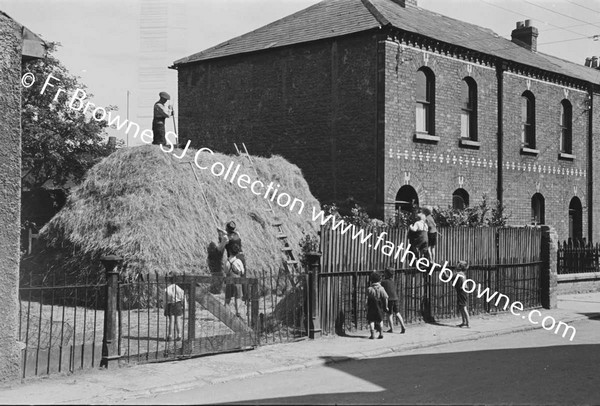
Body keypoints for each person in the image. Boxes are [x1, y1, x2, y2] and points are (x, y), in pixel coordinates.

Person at [217, 221, 246, 316]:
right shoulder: (237, 234)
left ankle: (226, 309)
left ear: (227, 228)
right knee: (239, 285)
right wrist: (222, 231)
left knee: (230, 284)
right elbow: (230, 235)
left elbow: (220, 248)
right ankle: (239, 310)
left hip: (232, 259)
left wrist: (220, 238)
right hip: (241, 259)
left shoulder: (226, 237)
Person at [380, 268, 406, 334]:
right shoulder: (392, 281)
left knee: (390, 314)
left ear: (387, 274)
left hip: (389, 299)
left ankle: (392, 328)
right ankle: (403, 326)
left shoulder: (384, 282)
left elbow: (379, 285)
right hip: (395, 298)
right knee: (397, 313)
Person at [164, 271, 187, 341]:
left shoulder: (167, 289)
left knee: (171, 321)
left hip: (170, 304)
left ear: (169, 280)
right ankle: (179, 335)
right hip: (178, 304)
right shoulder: (180, 289)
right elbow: (183, 299)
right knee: (178, 321)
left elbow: (165, 300)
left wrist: (165, 308)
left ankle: (170, 335)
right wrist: (184, 307)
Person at [366, 271, 388, 339]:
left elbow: (367, 298)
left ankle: (372, 334)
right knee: (380, 319)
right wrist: (386, 306)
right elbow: (386, 297)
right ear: (380, 280)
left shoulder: (369, 289)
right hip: (379, 306)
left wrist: (366, 306)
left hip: (371, 306)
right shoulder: (381, 288)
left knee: (371, 320)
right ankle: (381, 332)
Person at [454, 261, 470, 328]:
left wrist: (443, 271)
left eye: (458, 265)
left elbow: (448, 277)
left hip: (462, 291)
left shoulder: (459, 273)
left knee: (463, 307)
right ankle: (464, 322)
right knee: (461, 307)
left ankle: (468, 323)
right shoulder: (462, 273)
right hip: (462, 290)